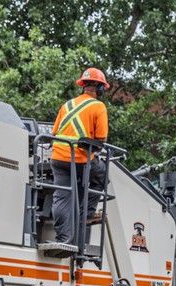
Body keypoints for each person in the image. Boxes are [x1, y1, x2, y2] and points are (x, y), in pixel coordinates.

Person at [50, 67, 109, 245]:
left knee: (62, 196)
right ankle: (85, 216)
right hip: (80, 159)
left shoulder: (67, 105)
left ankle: (64, 238)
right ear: (99, 88)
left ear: (83, 86)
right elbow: (101, 139)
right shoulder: (98, 107)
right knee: (102, 176)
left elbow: (54, 132)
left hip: (58, 158)